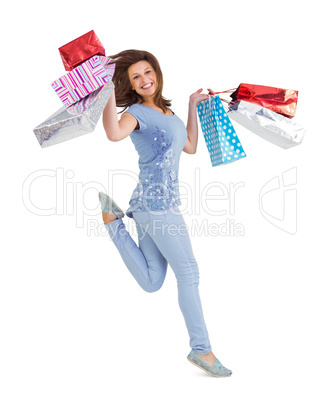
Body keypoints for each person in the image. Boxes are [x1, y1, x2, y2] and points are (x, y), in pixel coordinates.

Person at [99, 49, 232, 377]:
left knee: (152, 281)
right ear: (129, 84)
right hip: (157, 207)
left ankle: (114, 224)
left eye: (148, 72)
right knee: (189, 274)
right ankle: (202, 350)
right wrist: (104, 96)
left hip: (153, 205)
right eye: (136, 77)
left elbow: (190, 146)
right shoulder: (135, 113)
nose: (145, 80)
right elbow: (115, 133)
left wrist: (191, 105)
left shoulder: (168, 113)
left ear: (156, 73)